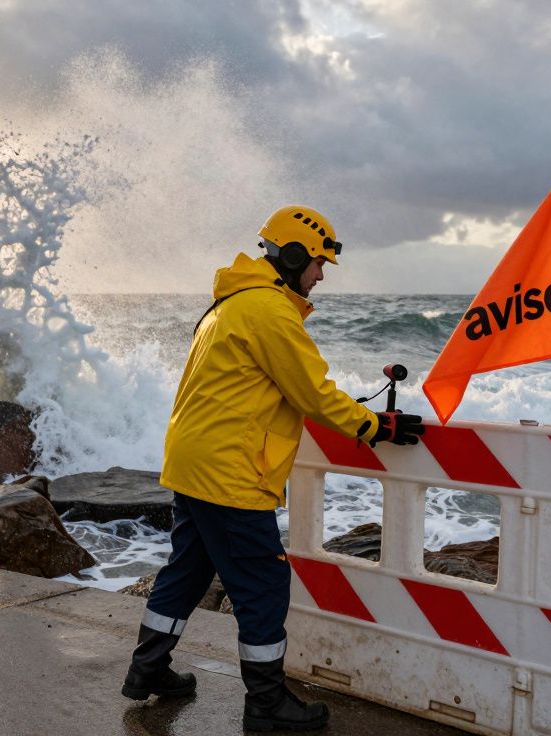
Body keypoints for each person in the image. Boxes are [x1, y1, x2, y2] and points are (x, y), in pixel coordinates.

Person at [120, 205, 425, 731]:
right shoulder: (269, 311)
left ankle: (146, 670)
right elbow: (313, 393)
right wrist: (377, 427)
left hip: (193, 462)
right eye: (318, 264)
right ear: (294, 255)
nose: (321, 276)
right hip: (230, 472)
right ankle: (266, 704)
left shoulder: (231, 304)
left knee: (188, 571)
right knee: (263, 586)